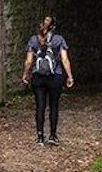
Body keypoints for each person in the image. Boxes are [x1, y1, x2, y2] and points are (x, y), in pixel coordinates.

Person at [21, 15, 74, 146]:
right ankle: (52, 136)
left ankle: (39, 136)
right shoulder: (59, 39)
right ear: (53, 27)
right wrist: (69, 76)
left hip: (38, 77)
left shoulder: (33, 40)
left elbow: (28, 61)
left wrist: (26, 74)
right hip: (55, 76)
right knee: (54, 106)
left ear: (40, 25)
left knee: (40, 106)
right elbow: (64, 59)